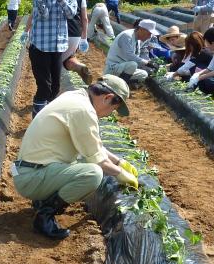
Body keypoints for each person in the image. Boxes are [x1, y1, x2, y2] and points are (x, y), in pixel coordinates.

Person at [12, 75, 138, 239]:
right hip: (31, 178)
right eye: (113, 109)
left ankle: (42, 201)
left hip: (29, 170)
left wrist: (120, 162)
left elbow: (93, 146)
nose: (109, 114)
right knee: (93, 173)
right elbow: (98, 160)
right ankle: (44, 216)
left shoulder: (76, 97)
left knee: (84, 159)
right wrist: (121, 174)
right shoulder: (83, 110)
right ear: (107, 98)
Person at [21, 0, 78, 119]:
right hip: (40, 46)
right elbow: (43, 16)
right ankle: (37, 120)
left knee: (55, 86)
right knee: (44, 87)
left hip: (58, 46)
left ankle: (47, 117)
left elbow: (71, 14)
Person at [104, 19, 160, 87]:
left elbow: (137, 57)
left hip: (123, 68)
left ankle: (121, 81)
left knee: (143, 74)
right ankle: (119, 85)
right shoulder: (127, 36)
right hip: (113, 67)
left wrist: (150, 63)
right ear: (141, 29)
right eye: (149, 33)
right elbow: (129, 55)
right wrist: (147, 63)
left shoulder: (138, 40)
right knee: (133, 65)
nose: (149, 36)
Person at [62, 0, 92, 85]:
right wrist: (84, 38)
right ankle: (78, 66)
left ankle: (57, 88)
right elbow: (85, 19)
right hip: (76, 33)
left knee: (57, 62)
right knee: (68, 56)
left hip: (62, 33)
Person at [187, 28, 214, 93]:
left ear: (213, 43)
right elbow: (209, 69)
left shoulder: (203, 52)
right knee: (203, 82)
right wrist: (198, 74)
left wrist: (199, 78)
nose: (206, 46)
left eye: (207, 43)